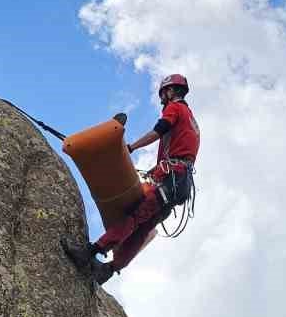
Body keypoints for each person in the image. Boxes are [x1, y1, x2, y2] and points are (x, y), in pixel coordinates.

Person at [62, 74, 199, 284]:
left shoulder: (175, 109)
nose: (163, 100)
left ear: (170, 92)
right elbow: (182, 153)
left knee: (135, 217)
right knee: (144, 227)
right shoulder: (191, 118)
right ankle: (109, 270)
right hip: (178, 185)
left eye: (164, 94)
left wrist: (131, 147)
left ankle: (89, 252)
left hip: (171, 180)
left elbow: (157, 132)